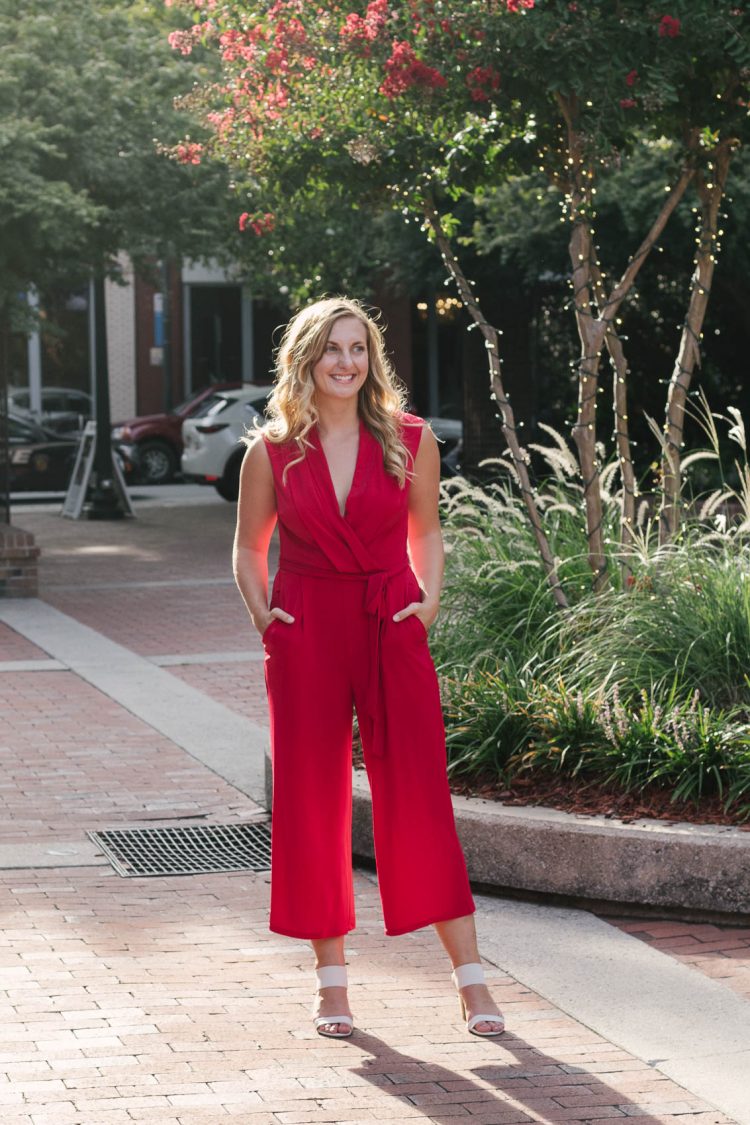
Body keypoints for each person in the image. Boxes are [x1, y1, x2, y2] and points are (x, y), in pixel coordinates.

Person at [233, 297, 504, 1039]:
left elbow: (430, 532)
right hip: (308, 625)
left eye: (357, 348)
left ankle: (471, 980)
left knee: (418, 791)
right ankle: (332, 983)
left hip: (392, 618)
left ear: (371, 358)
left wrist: (429, 602)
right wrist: (266, 617)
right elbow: (247, 549)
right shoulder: (273, 449)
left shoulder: (411, 440)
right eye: (332, 349)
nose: (346, 362)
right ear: (307, 359)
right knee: (311, 799)